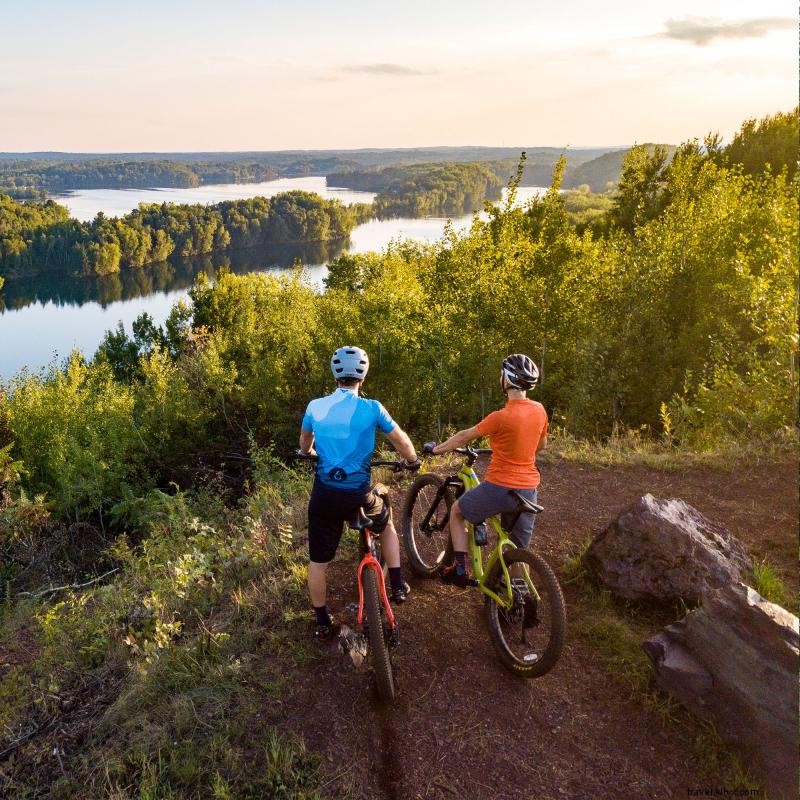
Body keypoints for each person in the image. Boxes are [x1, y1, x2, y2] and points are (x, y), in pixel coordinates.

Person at [299, 345, 420, 639]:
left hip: (325, 497)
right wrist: (413, 460)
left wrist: (311, 451)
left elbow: (304, 444)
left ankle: (321, 621)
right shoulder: (372, 408)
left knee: (318, 563)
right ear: (362, 378)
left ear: (335, 375)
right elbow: (400, 440)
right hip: (358, 495)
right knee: (386, 522)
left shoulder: (316, 406)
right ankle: (397, 583)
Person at [424, 353, 547, 588]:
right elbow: (540, 446)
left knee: (458, 512)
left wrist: (436, 450)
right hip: (529, 489)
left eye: (502, 374)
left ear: (508, 380)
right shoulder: (540, 410)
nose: (500, 377)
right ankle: (519, 596)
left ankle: (460, 569)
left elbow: (463, 437)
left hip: (500, 487)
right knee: (518, 548)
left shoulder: (500, 417)